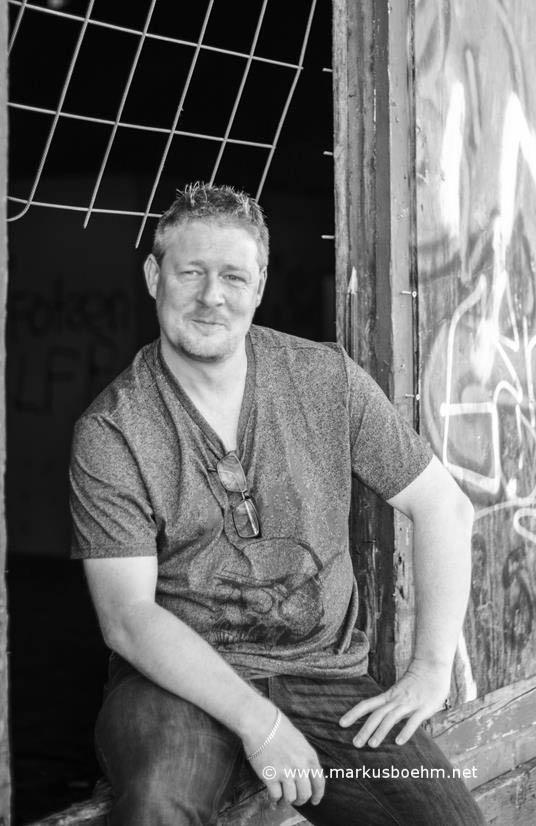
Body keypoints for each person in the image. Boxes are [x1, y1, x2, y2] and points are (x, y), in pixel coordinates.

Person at [69, 183, 485, 825]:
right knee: (158, 804)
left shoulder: (325, 379)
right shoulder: (113, 430)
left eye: (234, 276)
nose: (212, 296)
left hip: (326, 678)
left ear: (259, 285)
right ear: (154, 276)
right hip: (174, 683)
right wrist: (261, 725)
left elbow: (444, 508)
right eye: (191, 273)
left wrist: (430, 671)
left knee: (448, 820)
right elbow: (127, 617)